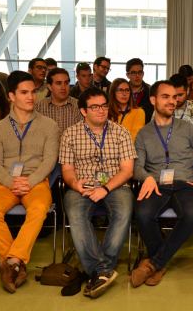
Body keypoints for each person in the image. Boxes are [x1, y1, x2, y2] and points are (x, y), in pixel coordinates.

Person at [131, 80, 193, 288]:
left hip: (186, 182)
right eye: (165, 97)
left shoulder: (186, 128)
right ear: (153, 100)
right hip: (156, 183)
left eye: (174, 97)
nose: (172, 101)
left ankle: (153, 264)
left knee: (191, 215)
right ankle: (158, 263)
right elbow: (137, 167)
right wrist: (147, 177)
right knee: (141, 214)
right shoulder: (143, 134)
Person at [0, 70, 59, 294]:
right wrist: (11, 182)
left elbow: (50, 161)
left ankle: (11, 262)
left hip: (36, 182)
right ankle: (15, 264)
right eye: (24, 92)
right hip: (6, 183)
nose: (30, 97)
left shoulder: (49, 125)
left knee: (38, 208)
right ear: (11, 96)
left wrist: (29, 181)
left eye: (33, 92)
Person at [60, 87, 137, 299]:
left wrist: (105, 188)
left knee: (123, 211)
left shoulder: (120, 132)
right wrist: (75, 184)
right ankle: (103, 269)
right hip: (82, 186)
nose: (101, 111)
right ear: (84, 111)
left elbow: (127, 170)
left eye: (104, 106)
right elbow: (66, 170)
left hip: (115, 185)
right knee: (75, 213)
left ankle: (96, 270)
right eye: (95, 107)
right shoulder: (70, 134)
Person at [35, 68, 82, 134]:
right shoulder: (39, 107)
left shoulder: (79, 105)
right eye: (59, 83)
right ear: (50, 87)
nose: (63, 87)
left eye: (66, 83)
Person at [169, 73, 193, 139]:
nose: (177, 99)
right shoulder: (161, 109)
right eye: (174, 95)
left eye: (180, 95)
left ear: (187, 90)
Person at [108, 78, 145, 142]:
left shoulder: (139, 112)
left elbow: (134, 137)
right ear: (113, 93)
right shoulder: (107, 111)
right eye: (120, 90)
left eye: (127, 90)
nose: (124, 94)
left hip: (129, 149)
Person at [126, 58, 153, 123]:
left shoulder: (151, 91)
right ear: (128, 75)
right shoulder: (121, 91)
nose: (137, 76)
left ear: (143, 73)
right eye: (133, 73)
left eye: (140, 72)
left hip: (145, 130)